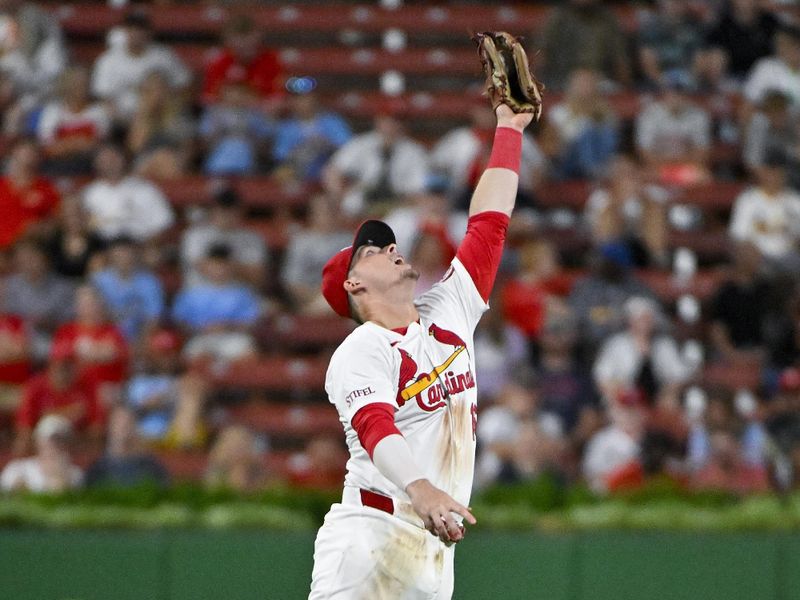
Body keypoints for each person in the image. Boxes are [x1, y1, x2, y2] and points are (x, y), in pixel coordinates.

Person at [309, 102, 534, 598]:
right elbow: (375, 426)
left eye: (388, 243)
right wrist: (422, 489)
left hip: (432, 547)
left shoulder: (449, 306)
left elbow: (490, 223)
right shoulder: (361, 349)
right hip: (372, 532)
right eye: (372, 251)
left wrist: (508, 129)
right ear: (353, 285)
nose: (392, 248)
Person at [91, 10, 189, 122]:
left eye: (141, 29)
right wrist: (121, 120)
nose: (136, 33)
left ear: (149, 32)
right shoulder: (108, 60)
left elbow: (183, 86)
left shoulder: (163, 56)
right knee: (98, 115)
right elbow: (103, 98)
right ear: (125, 31)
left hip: (158, 119)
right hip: (120, 120)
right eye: (132, 28)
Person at [323, 112, 429, 215]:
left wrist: (407, 201)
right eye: (386, 120)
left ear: (403, 125)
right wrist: (338, 193)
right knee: (350, 203)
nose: (391, 125)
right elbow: (333, 171)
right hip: (363, 195)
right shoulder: (361, 144)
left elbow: (420, 189)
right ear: (378, 121)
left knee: (412, 213)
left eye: (396, 121)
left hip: (398, 200)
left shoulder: (415, 152)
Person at [172, 243, 261, 364]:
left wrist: (226, 326)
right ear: (205, 265)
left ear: (231, 266)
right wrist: (201, 328)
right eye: (215, 264)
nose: (219, 269)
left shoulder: (242, 292)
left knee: (248, 354)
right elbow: (180, 321)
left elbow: (251, 322)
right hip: (200, 336)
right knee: (193, 358)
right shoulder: (191, 292)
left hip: (232, 336)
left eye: (224, 265)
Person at [13, 341, 104, 456]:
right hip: (41, 446)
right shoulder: (35, 386)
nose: (66, 369)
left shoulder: (87, 385)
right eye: (62, 364)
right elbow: (24, 428)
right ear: (51, 365)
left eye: (71, 364)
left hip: (75, 446)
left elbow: (97, 428)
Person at [81, 143, 175, 243]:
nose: (110, 163)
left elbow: (164, 224)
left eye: (113, 158)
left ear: (123, 159)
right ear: (96, 163)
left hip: (138, 244)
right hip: (101, 246)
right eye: (105, 159)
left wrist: (149, 245)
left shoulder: (145, 189)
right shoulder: (89, 193)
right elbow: (82, 227)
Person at [180, 186, 267, 289]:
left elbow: (257, 276)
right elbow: (204, 267)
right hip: (200, 295)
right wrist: (238, 268)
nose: (227, 214)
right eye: (222, 208)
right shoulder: (195, 235)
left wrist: (220, 265)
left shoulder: (252, 238)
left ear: (240, 210)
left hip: (240, 297)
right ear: (213, 209)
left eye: (231, 209)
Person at [728, 151, 800, 272]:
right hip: (759, 259)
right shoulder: (748, 200)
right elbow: (738, 236)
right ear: (762, 172)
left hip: (790, 258)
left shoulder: (795, 201)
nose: (773, 176)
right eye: (770, 171)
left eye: (778, 172)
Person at [537, 0, 631, 91]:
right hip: (561, 80)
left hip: (601, 82)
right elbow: (540, 56)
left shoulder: (608, 20)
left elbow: (620, 60)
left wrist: (625, 91)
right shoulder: (557, 18)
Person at [37, 65, 110, 176]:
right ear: (66, 85)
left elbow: (99, 145)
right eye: (76, 83)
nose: (80, 87)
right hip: (56, 166)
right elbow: (47, 148)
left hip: (89, 166)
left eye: (84, 83)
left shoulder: (99, 112)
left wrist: (65, 144)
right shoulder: (53, 111)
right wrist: (77, 143)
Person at [92, 236, 164, 342]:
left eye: (127, 253)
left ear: (135, 254)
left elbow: (154, 317)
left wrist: (141, 343)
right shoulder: (99, 280)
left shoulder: (150, 282)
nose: (123, 257)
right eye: (119, 253)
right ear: (111, 255)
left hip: (138, 338)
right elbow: (89, 314)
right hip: (103, 338)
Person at [201, 13, 283, 105]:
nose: (244, 49)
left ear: (258, 38)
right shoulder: (219, 62)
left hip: (262, 113)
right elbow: (208, 97)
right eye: (239, 47)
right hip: (227, 113)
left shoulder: (272, 61)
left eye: (249, 46)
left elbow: (279, 96)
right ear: (228, 42)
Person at [84, 405, 169, 488]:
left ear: (135, 428)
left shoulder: (151, 466)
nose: (123, 429)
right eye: (117, 424)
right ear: (109, 428)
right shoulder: (96, 470)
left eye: (127, 423)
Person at [0, 139, 61, 251]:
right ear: (14, 153)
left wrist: (40, 229)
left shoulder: (46, 188)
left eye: (32, 153)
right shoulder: (2, 186)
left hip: (31, 249)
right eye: (25, 152)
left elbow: (55, 220)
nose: (28, 157)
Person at [1, 414, 82, 493]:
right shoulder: (17, 468)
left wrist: (60, 477)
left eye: (60, 441)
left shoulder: (75, 474)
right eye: (49, 440)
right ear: (38, 442)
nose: (54, 446)